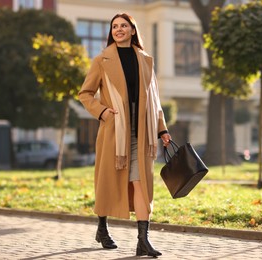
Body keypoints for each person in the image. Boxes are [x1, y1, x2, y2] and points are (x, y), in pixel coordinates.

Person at [78, 13, 171, 257]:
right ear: (112, 32)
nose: (119, 29)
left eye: (124, 26)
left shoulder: (146, 60)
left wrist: (162, 129)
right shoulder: (102, 59)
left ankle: (143, 241)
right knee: (108, 182)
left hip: (143, 132)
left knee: (141, 184)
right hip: (114, 130)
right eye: (115, 26)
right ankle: (102, 227)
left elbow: (155, 100)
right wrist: (102, 112)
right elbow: (85, 93)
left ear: (132, 30)